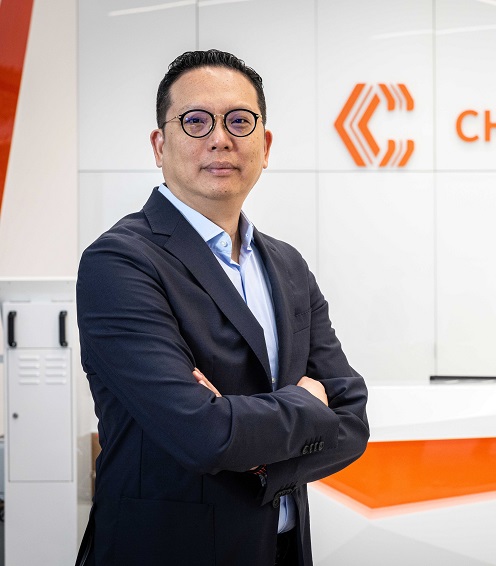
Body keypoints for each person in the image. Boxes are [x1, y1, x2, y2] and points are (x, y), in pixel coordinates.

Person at [75, 49, 369, 566]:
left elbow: (351, 419)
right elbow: (203, 433)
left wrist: (259, 459)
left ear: (265, 145)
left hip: (281, 550)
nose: (219, 138)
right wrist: (306, 407)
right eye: (195, 121)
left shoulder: (288, 265)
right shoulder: (120, 262)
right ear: (159, 145)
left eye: (239, 121)